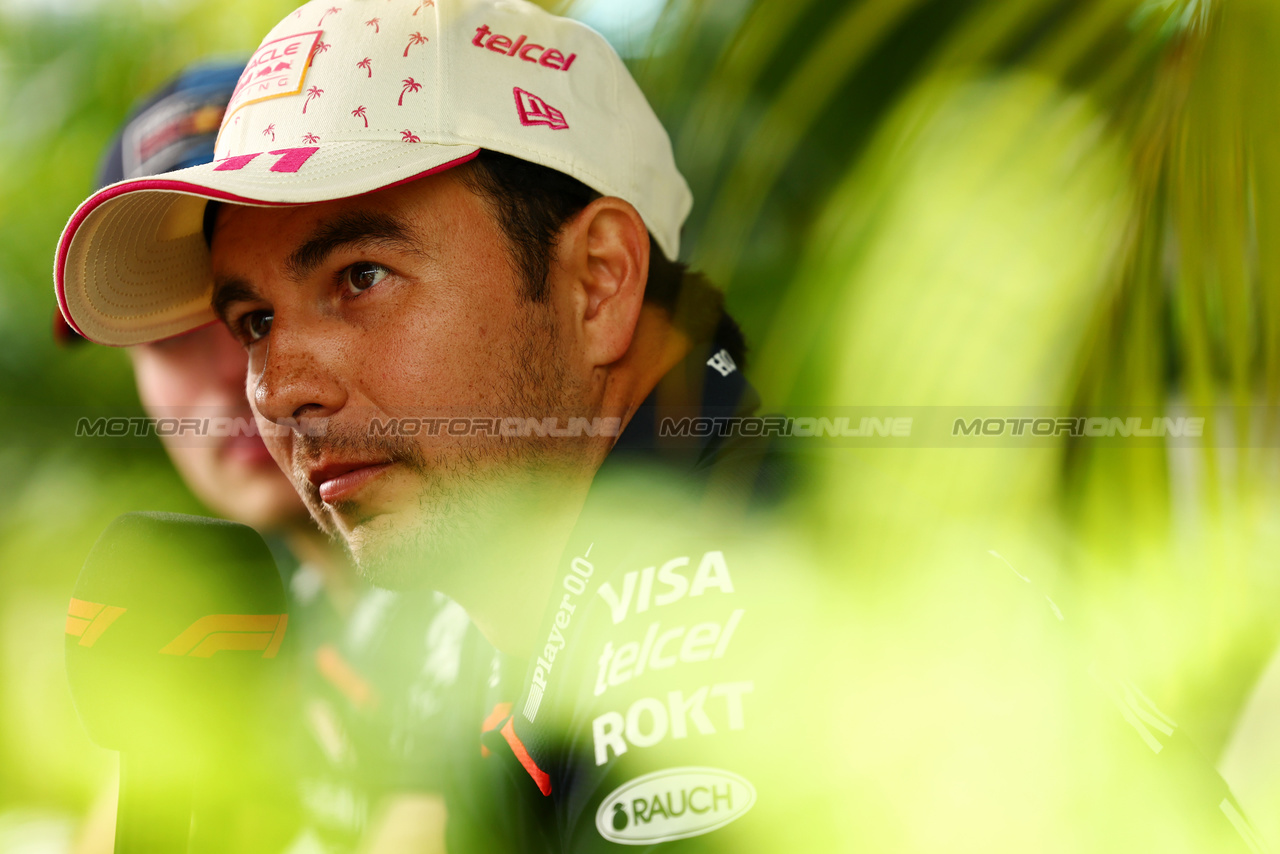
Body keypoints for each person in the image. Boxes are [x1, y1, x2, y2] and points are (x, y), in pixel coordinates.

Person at [52, 1, 1272, 850]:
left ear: (597, 284)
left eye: (361, 276)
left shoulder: (708, 613)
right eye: (253, 318)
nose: (277, 389)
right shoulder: (621, 558)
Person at [58, 59, 466, 854]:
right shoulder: (233, 616)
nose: (247, 381)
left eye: (252, 317)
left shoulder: (511, 599)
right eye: (165, 338)